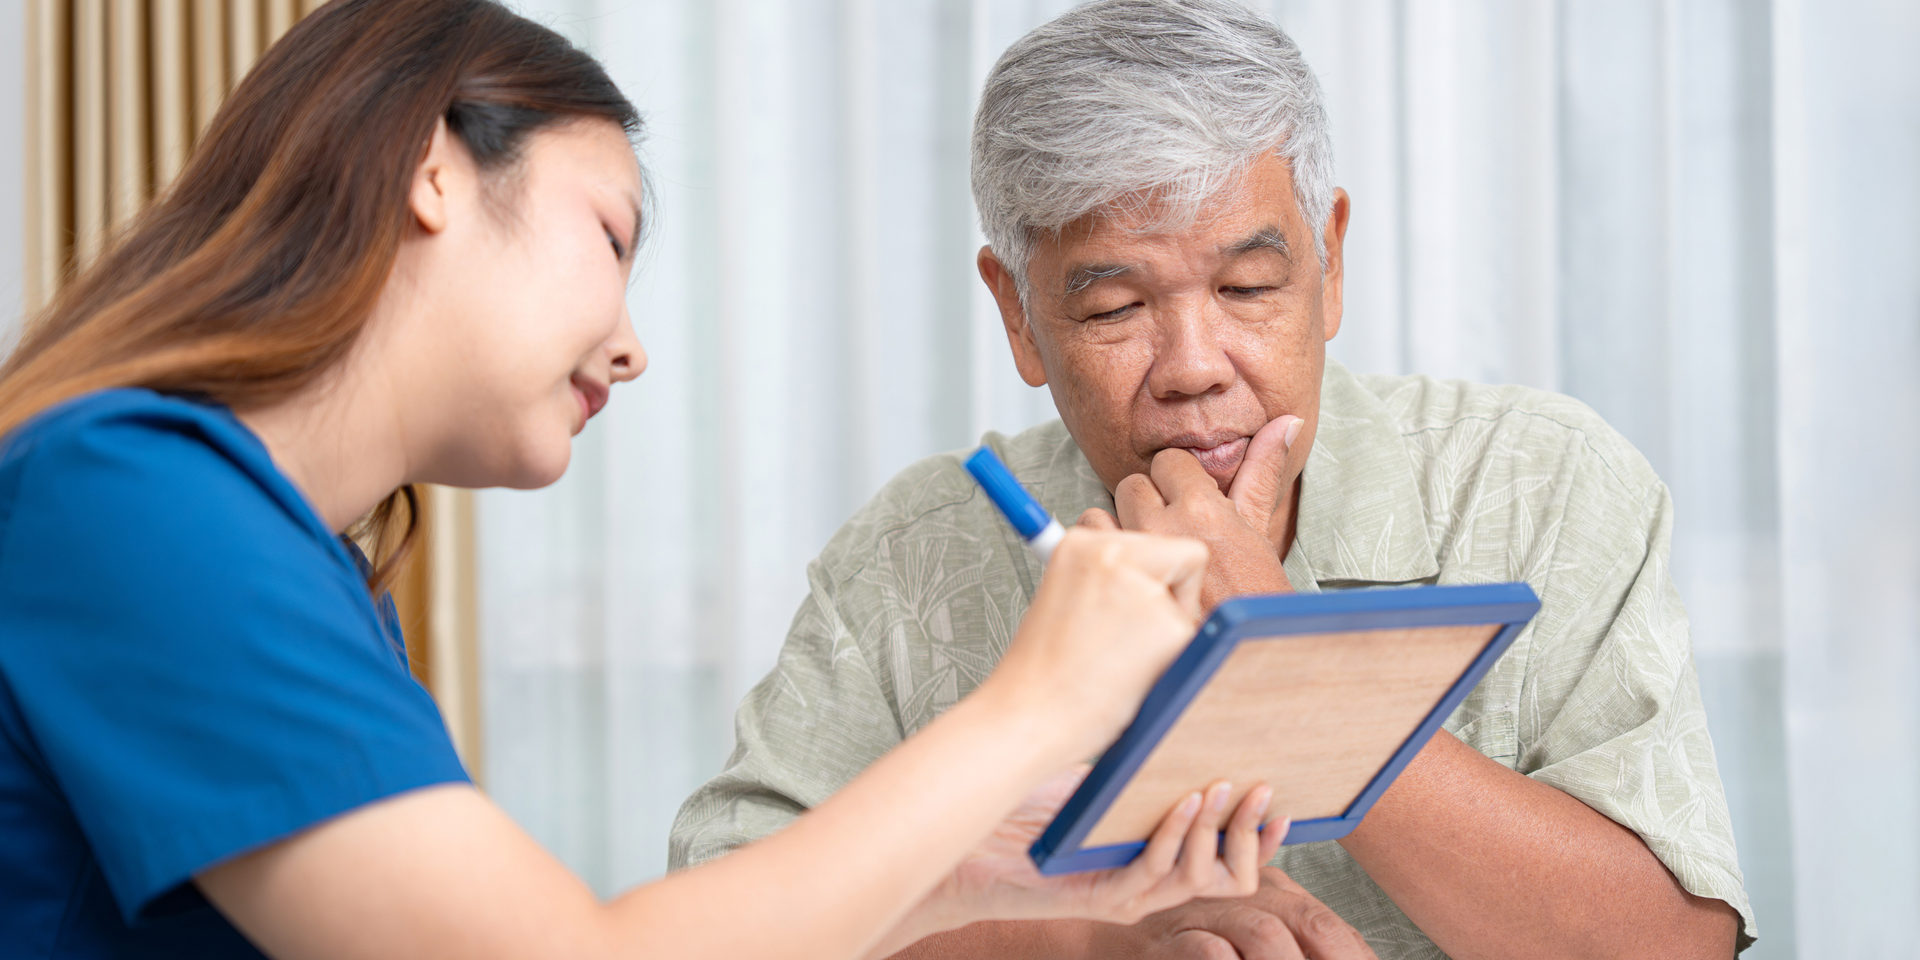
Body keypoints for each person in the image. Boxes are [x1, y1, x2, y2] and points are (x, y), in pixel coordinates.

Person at [0, 2, 1290, 958]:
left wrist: (992, 879)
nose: (631, 344)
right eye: (610, 234)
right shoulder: (130, 500)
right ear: (431, 170)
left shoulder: (285, 560)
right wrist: (1036, 699)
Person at [667, 1, 1756, 958]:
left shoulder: (1540, 484)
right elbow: (710, 928)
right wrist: (1089, 939)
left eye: (1246, 286)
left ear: (1328, 263)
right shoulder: (913, 557)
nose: (1193, 368)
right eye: (1114, 309)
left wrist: (1288, 664)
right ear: (1019, 315)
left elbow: (1670, 941)